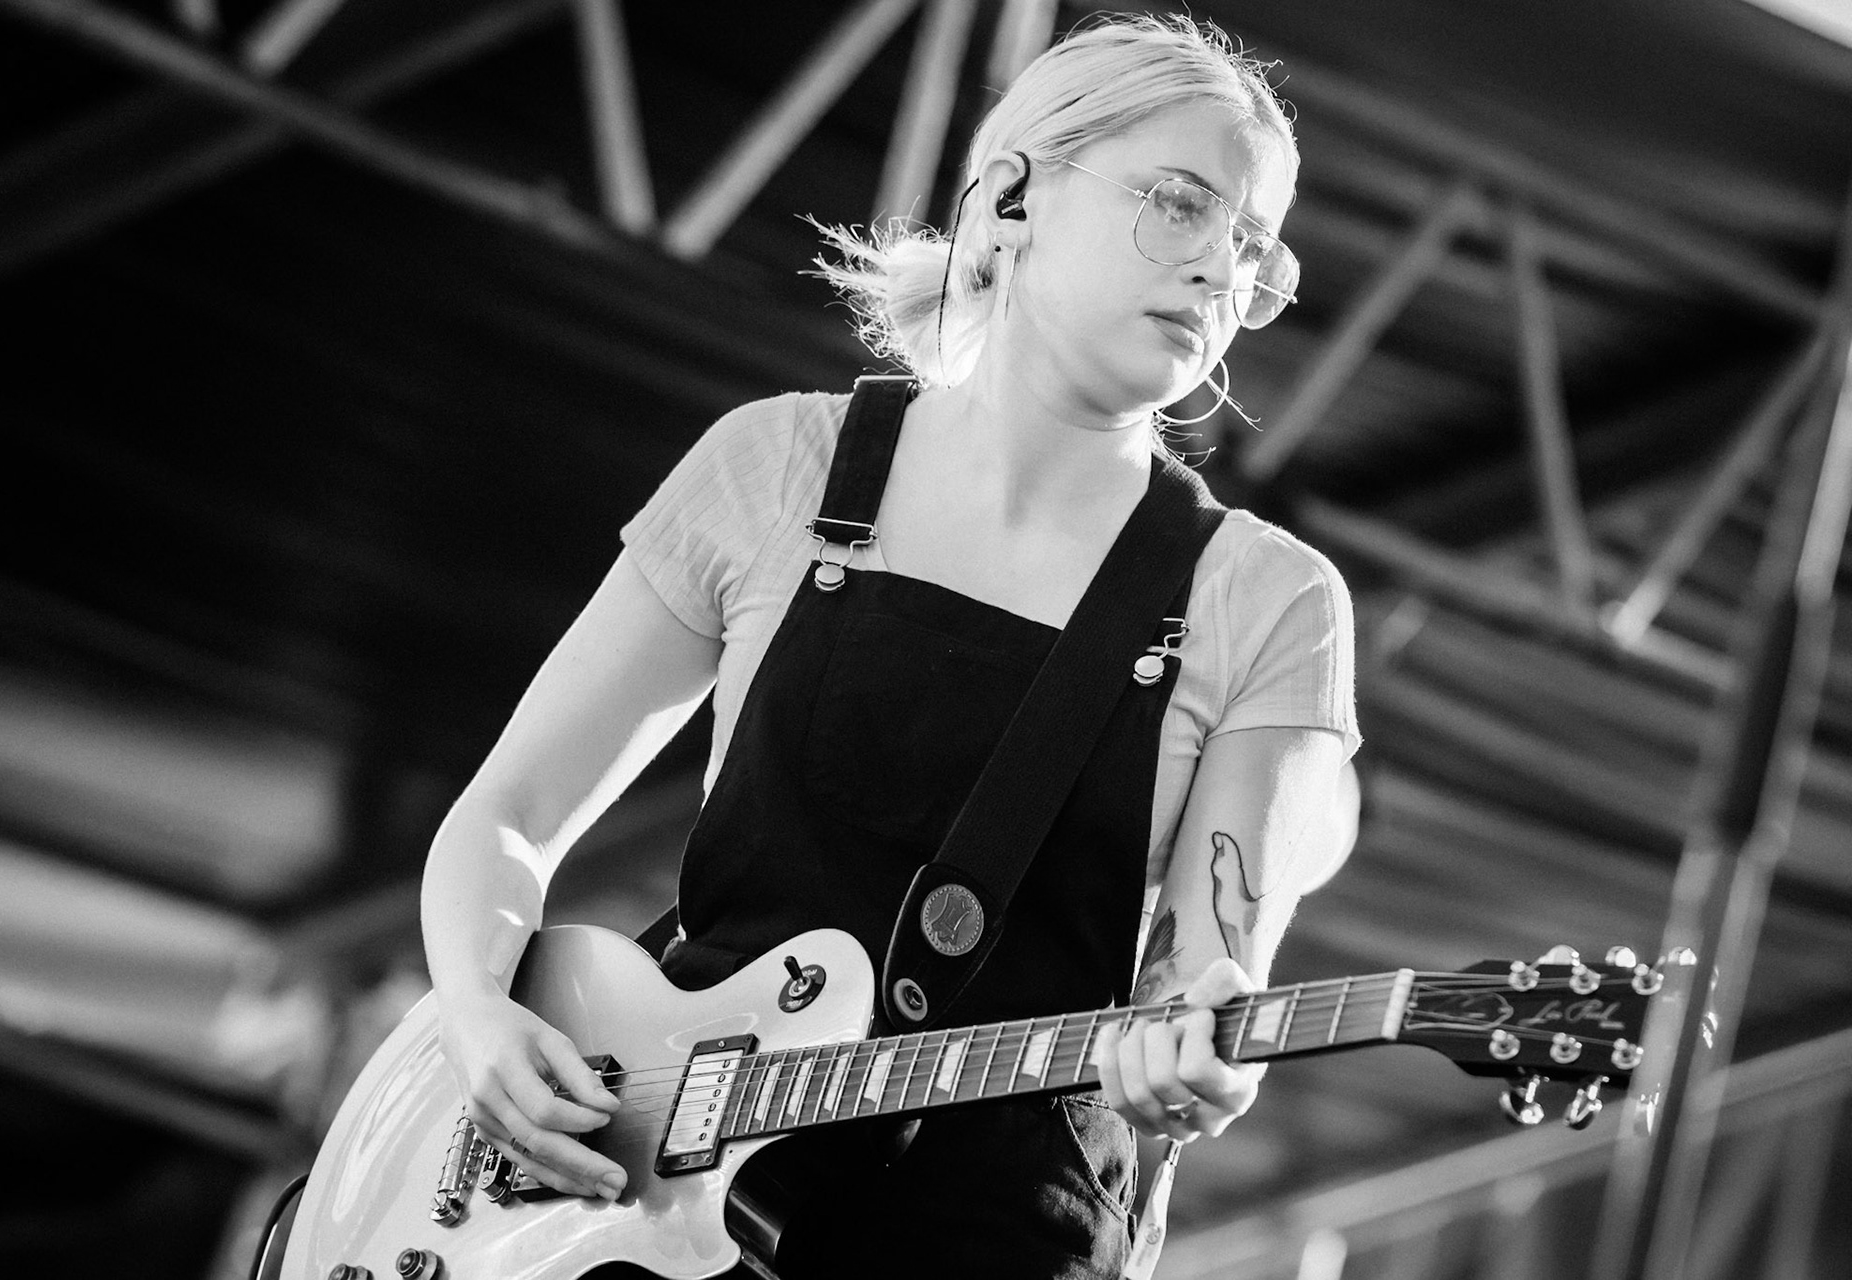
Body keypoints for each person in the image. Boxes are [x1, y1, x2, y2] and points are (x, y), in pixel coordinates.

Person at [419, 13, 1358, 1278]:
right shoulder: (779, 462)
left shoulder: (1273, 595)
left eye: (1253, 249)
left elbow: (1207, 982)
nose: (1219, 275)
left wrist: (1199, 1057)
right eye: (1181, 205)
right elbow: (513, 810)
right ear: (1014, 192)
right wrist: (478, 1017)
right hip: (645, 1217)